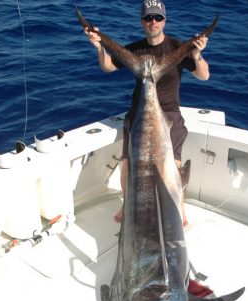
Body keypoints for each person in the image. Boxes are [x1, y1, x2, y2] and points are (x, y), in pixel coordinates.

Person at [85, 1, 210, 225]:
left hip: (169, 116)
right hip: (139, 114)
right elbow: (108, 67)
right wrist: (99, 47)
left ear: (164, 20)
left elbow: (204, 75)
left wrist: (198, 54)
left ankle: (178, 208)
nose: (153, 22)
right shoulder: (134, 49)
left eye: (158, 18)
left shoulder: (177, 47)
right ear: (142, 21)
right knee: (128, 164)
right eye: (149, 18)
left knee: (172, 167)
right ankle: (128, 204)